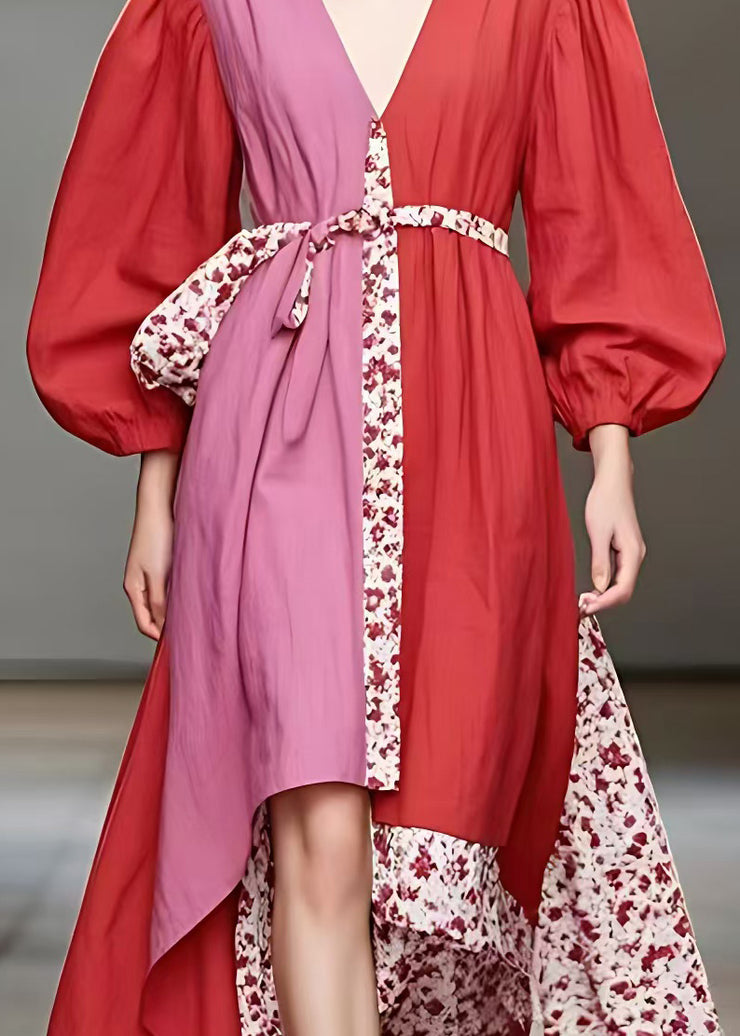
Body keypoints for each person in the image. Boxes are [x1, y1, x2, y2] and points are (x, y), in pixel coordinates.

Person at [27, 0, 726, 1033]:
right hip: (271, 429)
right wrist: (155, 482)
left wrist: (609, 456)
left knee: (443, 835)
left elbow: (597, 213)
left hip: (472, 439)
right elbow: (152, 222)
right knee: (318, 831)